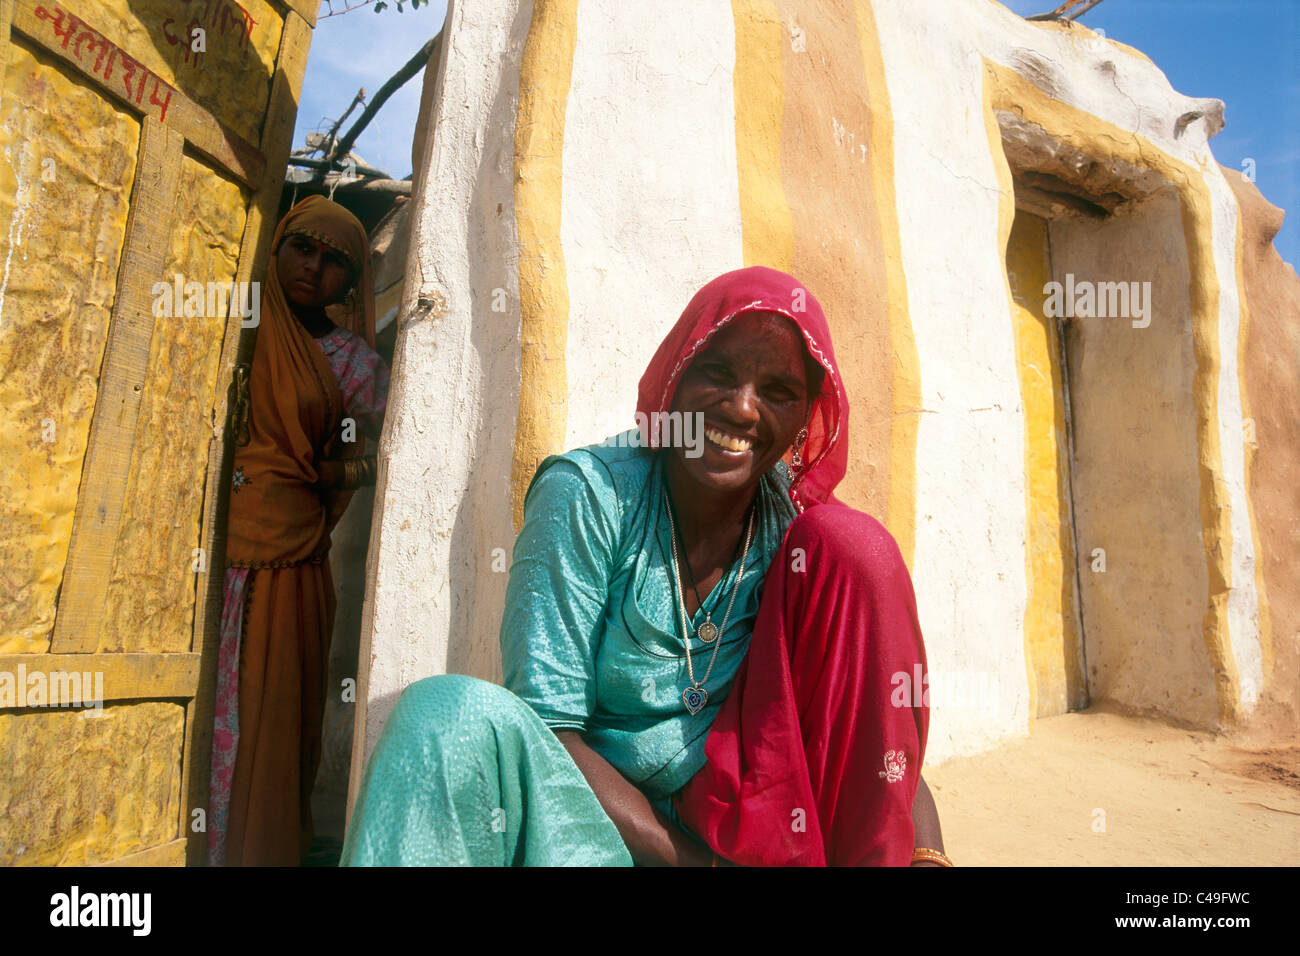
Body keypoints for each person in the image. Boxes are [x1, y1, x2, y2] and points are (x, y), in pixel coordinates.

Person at [341, 266, 945, 866]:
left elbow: (876, 723)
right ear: (675, 379)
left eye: (778, 391)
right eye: (718, 374)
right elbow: (550, 728)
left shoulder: (799, 535)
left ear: (801, 421)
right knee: (443, 714)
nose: (741, 409)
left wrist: (928, 856)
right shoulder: (589, 496)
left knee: (856, 545)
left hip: (748, 837)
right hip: (595, 830)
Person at [209, 195, 390, 867]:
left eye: (335, 261)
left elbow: (402, 446)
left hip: (291, 569)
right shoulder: (235, 325)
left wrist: (336, 475)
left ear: (353, 282)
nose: (314, 270)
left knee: (272, 722)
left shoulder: (351, 364)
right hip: (204, 564)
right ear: (276, 247)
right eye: (302, 249)